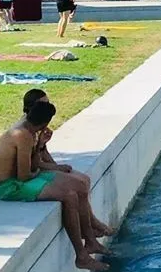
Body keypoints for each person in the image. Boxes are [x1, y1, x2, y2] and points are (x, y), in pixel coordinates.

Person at [0, 99, 108, 271]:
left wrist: (40, 145)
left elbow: (34, 163)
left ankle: (90, 241)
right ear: (45, 122)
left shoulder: (29, 132)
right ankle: (81, 256)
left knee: (80, 186)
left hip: (24, 178)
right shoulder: (22, 135)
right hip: (10, 186)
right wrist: (40, 172)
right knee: (69, 196)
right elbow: (24, 175)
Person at [20, 89, 113, 238]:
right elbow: (30, 166)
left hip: (36, 169)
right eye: (44, 105)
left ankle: (91, 223)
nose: (48, 108)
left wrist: (55, 165)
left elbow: (43, 154)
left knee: (84, 180)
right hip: (29, 175)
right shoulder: (26, 132)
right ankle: (88, 233)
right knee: (76, 188)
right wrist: (54, 169)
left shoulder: (38, 128)